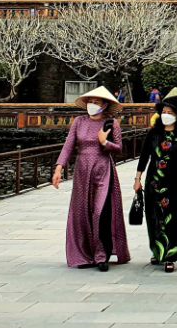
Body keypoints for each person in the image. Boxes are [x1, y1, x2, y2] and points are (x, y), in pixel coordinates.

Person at [52, 86, 130, 271]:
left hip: (103, 169)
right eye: (90, 102)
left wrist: (104, 141)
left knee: (99, 212)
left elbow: (119, 148)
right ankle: (84, 255)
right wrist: (58, 167)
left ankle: (102, 255)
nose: (92, 105)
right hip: (81, 170)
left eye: (96, 102)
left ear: (104, 105)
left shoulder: (111, 123)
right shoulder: (78, 122)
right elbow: (68, 146)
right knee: (82, 212)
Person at [135, 98, 177, 273]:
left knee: (174, 216)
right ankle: (158, 251)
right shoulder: (153, 134)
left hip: (175, 180)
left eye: (170, 113)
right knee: (154, 216)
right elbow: (144, 156)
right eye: (164, 112)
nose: (166, 115)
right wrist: (137, 178)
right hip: (154, 180)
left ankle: (171, 255)